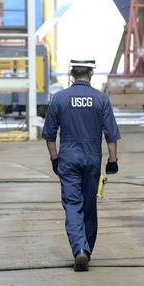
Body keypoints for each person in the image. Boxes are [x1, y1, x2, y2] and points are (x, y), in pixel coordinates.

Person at [42, 59, 120, 271]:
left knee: (72, 205)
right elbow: (111, 135)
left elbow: (49, 135)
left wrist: (54, 157)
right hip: (92, 158)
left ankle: (80, 250)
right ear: (91, 73)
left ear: (72, 73)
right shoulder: (101, 99)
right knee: (89, 206)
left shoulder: (59, 98)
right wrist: (112, 160)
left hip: (68, 157)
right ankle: (86, 249)